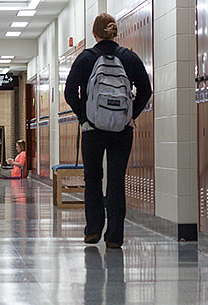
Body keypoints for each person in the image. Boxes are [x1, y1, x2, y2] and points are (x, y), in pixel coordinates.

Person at [63, 13, 153, 249]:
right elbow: (145, 91)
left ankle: (93, 230)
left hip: (92, 129)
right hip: (121, 131)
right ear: (115, 33)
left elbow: (70, 92)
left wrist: (84, 116)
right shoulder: (130, 58)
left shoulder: (86, 59)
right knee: (116, 180)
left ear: (94, 34)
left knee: (93, 178)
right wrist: (130, 116)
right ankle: (114, 236)